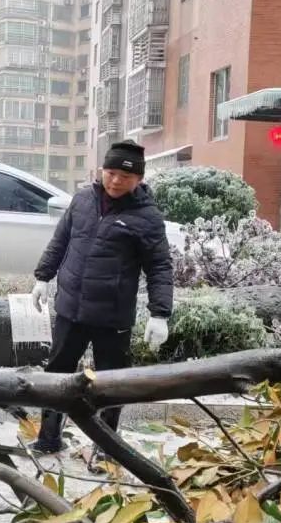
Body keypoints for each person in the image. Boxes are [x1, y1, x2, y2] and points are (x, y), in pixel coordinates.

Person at [29, 140, 173, 461]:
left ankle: (106, 448)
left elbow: (159, 265)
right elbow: (61, 240)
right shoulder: (81, 200)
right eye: (110, 173)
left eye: (125, 176)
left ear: (138, 179)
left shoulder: (147, 217)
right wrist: (42, 277)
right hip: (70, 309)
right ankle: (49, 439)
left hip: (112, 317)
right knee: (57, 375)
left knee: (111, 383)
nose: (116, 181)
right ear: (101, 171)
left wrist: (159, 313)